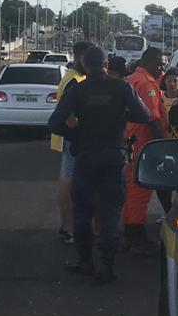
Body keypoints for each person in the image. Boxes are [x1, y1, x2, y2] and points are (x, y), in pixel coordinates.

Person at [47, 46, 150, 284]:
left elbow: (54, 124)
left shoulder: (78, 90)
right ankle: (107, 266)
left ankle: (85, 262)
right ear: (105, 64)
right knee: (111, 212)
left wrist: (75, 135)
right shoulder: (121, 87)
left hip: (85, 155)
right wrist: (121, 115)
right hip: (114, 156)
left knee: (83, 211)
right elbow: (144, 116)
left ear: (85, 64)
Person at [123, 46, 168, 253]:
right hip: (144, 144)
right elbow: (153, 118)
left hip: (134, 141)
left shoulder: (133, 79)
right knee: (139, 191)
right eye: (158, 64)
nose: (161, 68)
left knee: (132, 188)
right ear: (147, 61)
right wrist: (165, 143)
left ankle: (130, 232)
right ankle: (135, 234)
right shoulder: (146, 84)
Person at [49, 42, 89, 243]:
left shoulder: (75, 77)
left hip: (66, 136)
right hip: (70, 137)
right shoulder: (74, 80)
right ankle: (70, 227)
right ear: (79, 56)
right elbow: (70, 116)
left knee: (66, 178)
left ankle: (66, 226)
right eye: (87, 58)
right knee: (68, 181)